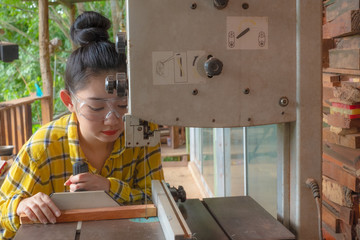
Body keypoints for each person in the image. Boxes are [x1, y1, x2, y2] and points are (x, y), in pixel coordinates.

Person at [0, 11, 164, 239]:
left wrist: (109, 187)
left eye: (123, 104)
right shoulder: (44, 148)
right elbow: (2, 207)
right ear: (69, 102)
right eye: (96, 107)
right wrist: (21, 206)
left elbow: (158, 198)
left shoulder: (142, 131)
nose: (113, 119)